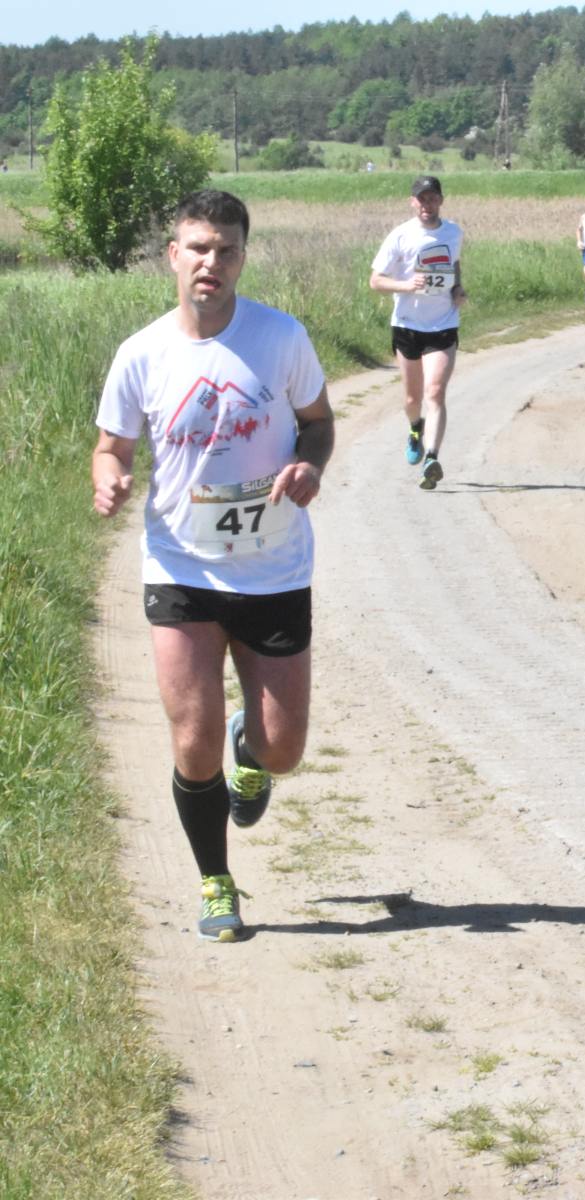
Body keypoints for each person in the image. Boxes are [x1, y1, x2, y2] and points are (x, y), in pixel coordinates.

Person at [91, 189, 334, 944]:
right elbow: (111, 447)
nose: (211, 262)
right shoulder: (141, 353)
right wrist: (109, 477)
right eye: (198, 247)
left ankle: (249, 749)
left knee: (283, 750)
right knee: (190, 735)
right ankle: (216, 881)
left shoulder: (281, 338)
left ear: (242, 258)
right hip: (181, 565)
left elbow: (319, 423)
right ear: (174, 255)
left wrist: (309, 464)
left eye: (226, 250)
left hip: (273, 567)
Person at [369, 174, 465, 490]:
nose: (427, 204)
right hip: (407, 325)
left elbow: (454, 264)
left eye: (432, 198)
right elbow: (376, 281)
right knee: (413, 399)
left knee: (435, 392)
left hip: (443, 324)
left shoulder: (453, 232)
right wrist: (406, 285)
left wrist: (458, 289)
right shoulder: (400, 236)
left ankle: (432, 459)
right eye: (422, 199)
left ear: (441, 200)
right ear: (413, 202)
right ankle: (415, 428)